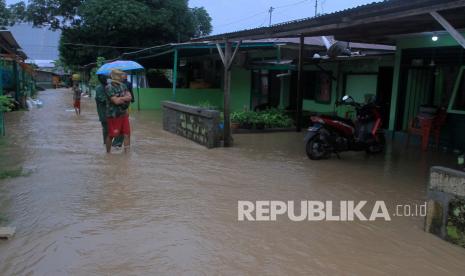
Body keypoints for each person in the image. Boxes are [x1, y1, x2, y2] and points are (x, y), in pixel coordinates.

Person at [105, 69, 132, 153]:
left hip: (123, 113)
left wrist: (120, 98)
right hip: (113, 115)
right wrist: (124, 98)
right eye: (121, 76)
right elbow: (116, 101)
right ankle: (108, 153)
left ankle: (127, 154)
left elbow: (130, 97)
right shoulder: (109, 87)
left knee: (127, 134)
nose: (123, 77)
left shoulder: (123, 86)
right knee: (111, 135)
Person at [95, 75, 124, 147]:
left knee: (119, 129)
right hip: (104, 113)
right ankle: (108, 145)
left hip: (113, 113)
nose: (107, 80)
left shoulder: (111, 87)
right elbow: (103, 100)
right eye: (105, 78)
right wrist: (115, 98)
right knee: (107, 130)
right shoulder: (99, 88)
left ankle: (115, 144)